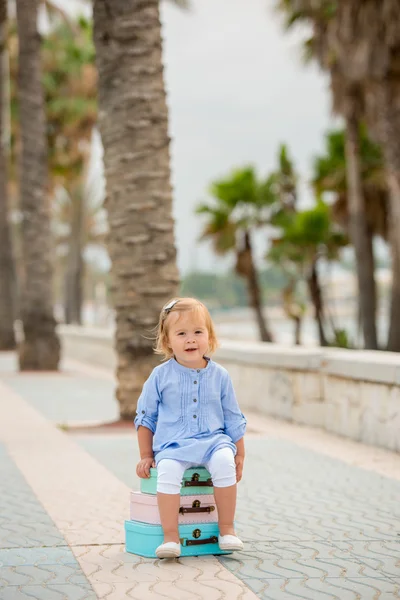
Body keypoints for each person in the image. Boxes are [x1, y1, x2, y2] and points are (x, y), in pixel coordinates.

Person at [134, 297, 246, 559]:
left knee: (224, 463)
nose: (190, 339)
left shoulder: (220, 376)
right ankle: (171, 536)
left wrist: (239, 452)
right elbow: (145, 418)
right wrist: (145, 455)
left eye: (198, 332)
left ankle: (227, 529)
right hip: (173, 445)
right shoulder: (160, 376)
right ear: (167, 341)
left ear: (209, 336)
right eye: (181, 333)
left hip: (214, 441)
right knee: (168, 472)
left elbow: (233, 417)